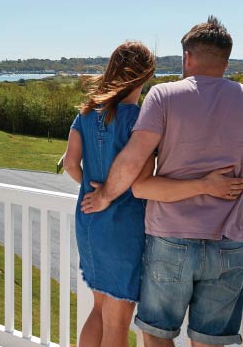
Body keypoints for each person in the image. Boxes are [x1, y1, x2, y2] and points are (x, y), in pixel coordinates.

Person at [64, 40, 241, 347]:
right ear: (146, 75)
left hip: (90, 221)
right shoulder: (137, 118)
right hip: (126, 226)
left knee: (99, 308)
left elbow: (69, 163)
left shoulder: (87, 112)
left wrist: (90, 190)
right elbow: (138, 169)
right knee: (117, 323)